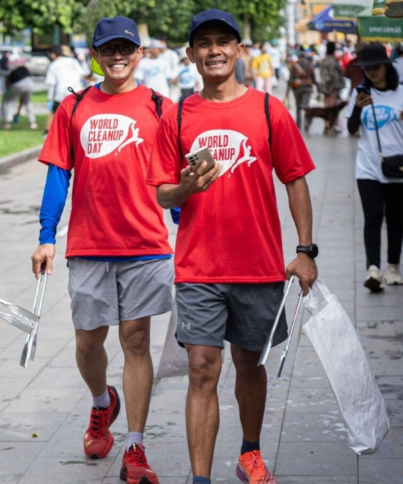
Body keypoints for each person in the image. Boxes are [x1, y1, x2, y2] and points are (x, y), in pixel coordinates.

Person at [147, 10, 318, 484]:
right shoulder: (178, 115)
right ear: (192, 55)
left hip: (259, 266)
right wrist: (184, 189)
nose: (214, 50)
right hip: (199, 267)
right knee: (202, 369)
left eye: (224, 42)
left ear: (240, 51)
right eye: (204, 43)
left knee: (249, 364)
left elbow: (296, 179)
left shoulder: (269, 109)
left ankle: (250, 452)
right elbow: (161, 192)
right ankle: (200, 478)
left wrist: (305, 249)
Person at [31, 15, 173, 483]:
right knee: (88, 341)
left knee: (135, 341)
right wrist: (47, 236)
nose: (117, 56)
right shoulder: (73, 107)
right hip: (90, 244)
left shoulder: (161, 107)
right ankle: (101, 403)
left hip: (145, 244)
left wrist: (184, 227)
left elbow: (175, 182)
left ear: (140, 54)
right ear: (95, 54)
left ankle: (135, 445)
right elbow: (57, 174)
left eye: (125, 49)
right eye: (107, 49)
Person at [345, 43, 403, 291]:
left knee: (397, 220)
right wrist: (358, 107)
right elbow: (350, 129)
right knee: (372, 218)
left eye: (376, 66)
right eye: (366, 68)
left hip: (398, 167)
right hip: (368, 167)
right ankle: (374, 270)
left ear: (386, 66)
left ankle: (392, 268)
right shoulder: (360, 93)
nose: (371, 72)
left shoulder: (400, 92)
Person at [44, 45, 86, 137]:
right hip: (76, 93)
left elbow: (51, 84)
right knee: (76, 114)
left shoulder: (54, 65)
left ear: (53, 54)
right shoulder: (73, 61)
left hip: (60, 94)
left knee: (53, 113)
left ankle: (47, 133)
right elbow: (83, 74)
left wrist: (49, 99)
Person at [0, 64, 36, 130]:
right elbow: (22, 99)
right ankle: (32, 122)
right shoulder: (24, 70)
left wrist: (7, 93)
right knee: (28, 102)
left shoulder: (11, 73)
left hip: (17, 85)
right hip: (30, 84)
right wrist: (18, 111)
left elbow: (7, 85)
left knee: (7, 102)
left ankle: (6, 122)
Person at [290, 51, 316, 130]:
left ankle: (298, 125)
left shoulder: (294, 66)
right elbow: (313, 77)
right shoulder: (309, 65)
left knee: (298, 107)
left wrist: (289, 89)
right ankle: (306, 124)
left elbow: (290, 79)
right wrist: (316, 85)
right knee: (306, 106)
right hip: (307, 87)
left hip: (297, 88)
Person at [319, 42, 345, 108]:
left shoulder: (323, 60)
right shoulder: (333, 60)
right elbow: (335, 75)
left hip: (325, 87)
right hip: (332, 87)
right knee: (332, 109)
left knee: (327, 107)